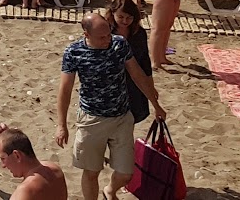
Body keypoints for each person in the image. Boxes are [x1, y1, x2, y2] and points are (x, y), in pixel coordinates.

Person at [55, 13, 164, 200]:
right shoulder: (74, 52)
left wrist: (156, 105)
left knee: (126, 173)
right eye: (102, 37)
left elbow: (137, 74)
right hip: (91, 119)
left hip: (121, 117)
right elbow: (65, 90)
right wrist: (61, 125)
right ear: (86, 34)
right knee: (91, 172)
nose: (107, 40)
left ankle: (110, 190)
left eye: (108, 34)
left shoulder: (119, 44)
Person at [108, 0, 154, 125]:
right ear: (113, 13)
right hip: (112, 80)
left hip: (134, 80)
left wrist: (150, 85)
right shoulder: (105, 32)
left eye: (129, 17)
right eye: (121, 17)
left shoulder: (138, 33)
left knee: (131, 116)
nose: (125, 21)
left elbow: (145, 60)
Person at [0, 124, 68, 200]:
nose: (3, 165)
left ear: (17, 155)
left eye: (3, 158)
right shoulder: (55, 169)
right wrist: (8, 137)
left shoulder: (25, 191)